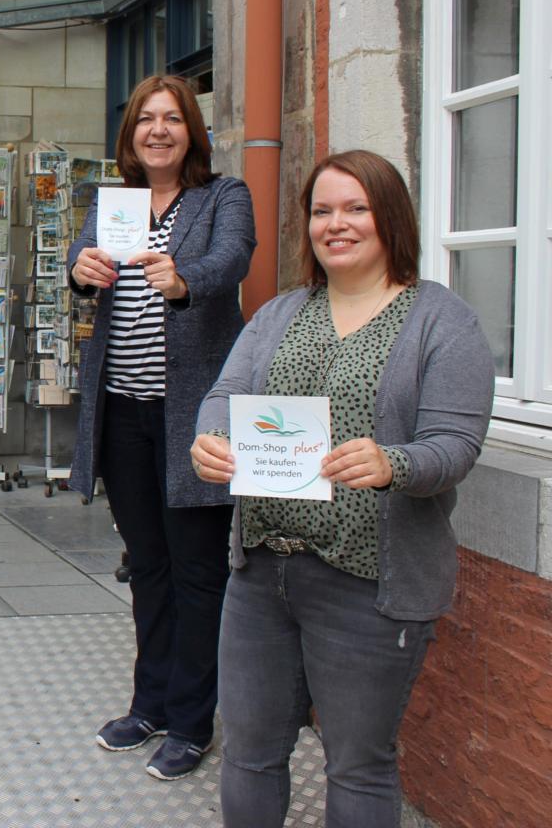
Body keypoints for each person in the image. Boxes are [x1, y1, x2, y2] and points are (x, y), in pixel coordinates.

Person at [191, 150, 493, 827]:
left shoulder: (442, 322)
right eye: (322, 210)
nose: (337, 224)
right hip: (262, 572)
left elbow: (455, 445)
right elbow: (226, 395)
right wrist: (209, 438)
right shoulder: (280, 314)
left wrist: (395, 464)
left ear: (390, 216)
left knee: (357, 766)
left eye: (355, 208)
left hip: (369, 587)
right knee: (249, 752)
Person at [67, 74, 256, 780]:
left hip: (193, 416)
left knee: (197, 569)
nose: (158, 130)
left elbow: (233, 258)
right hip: (122, 411)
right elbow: (80, 265)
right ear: (131, 134)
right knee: (147, 566)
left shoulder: (221, 196)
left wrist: (184, 281)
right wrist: (80, 269)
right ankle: (148, 705)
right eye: (145, 119)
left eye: (172, 119)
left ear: (191, 131)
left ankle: (190, 720)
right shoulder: (113, 202)